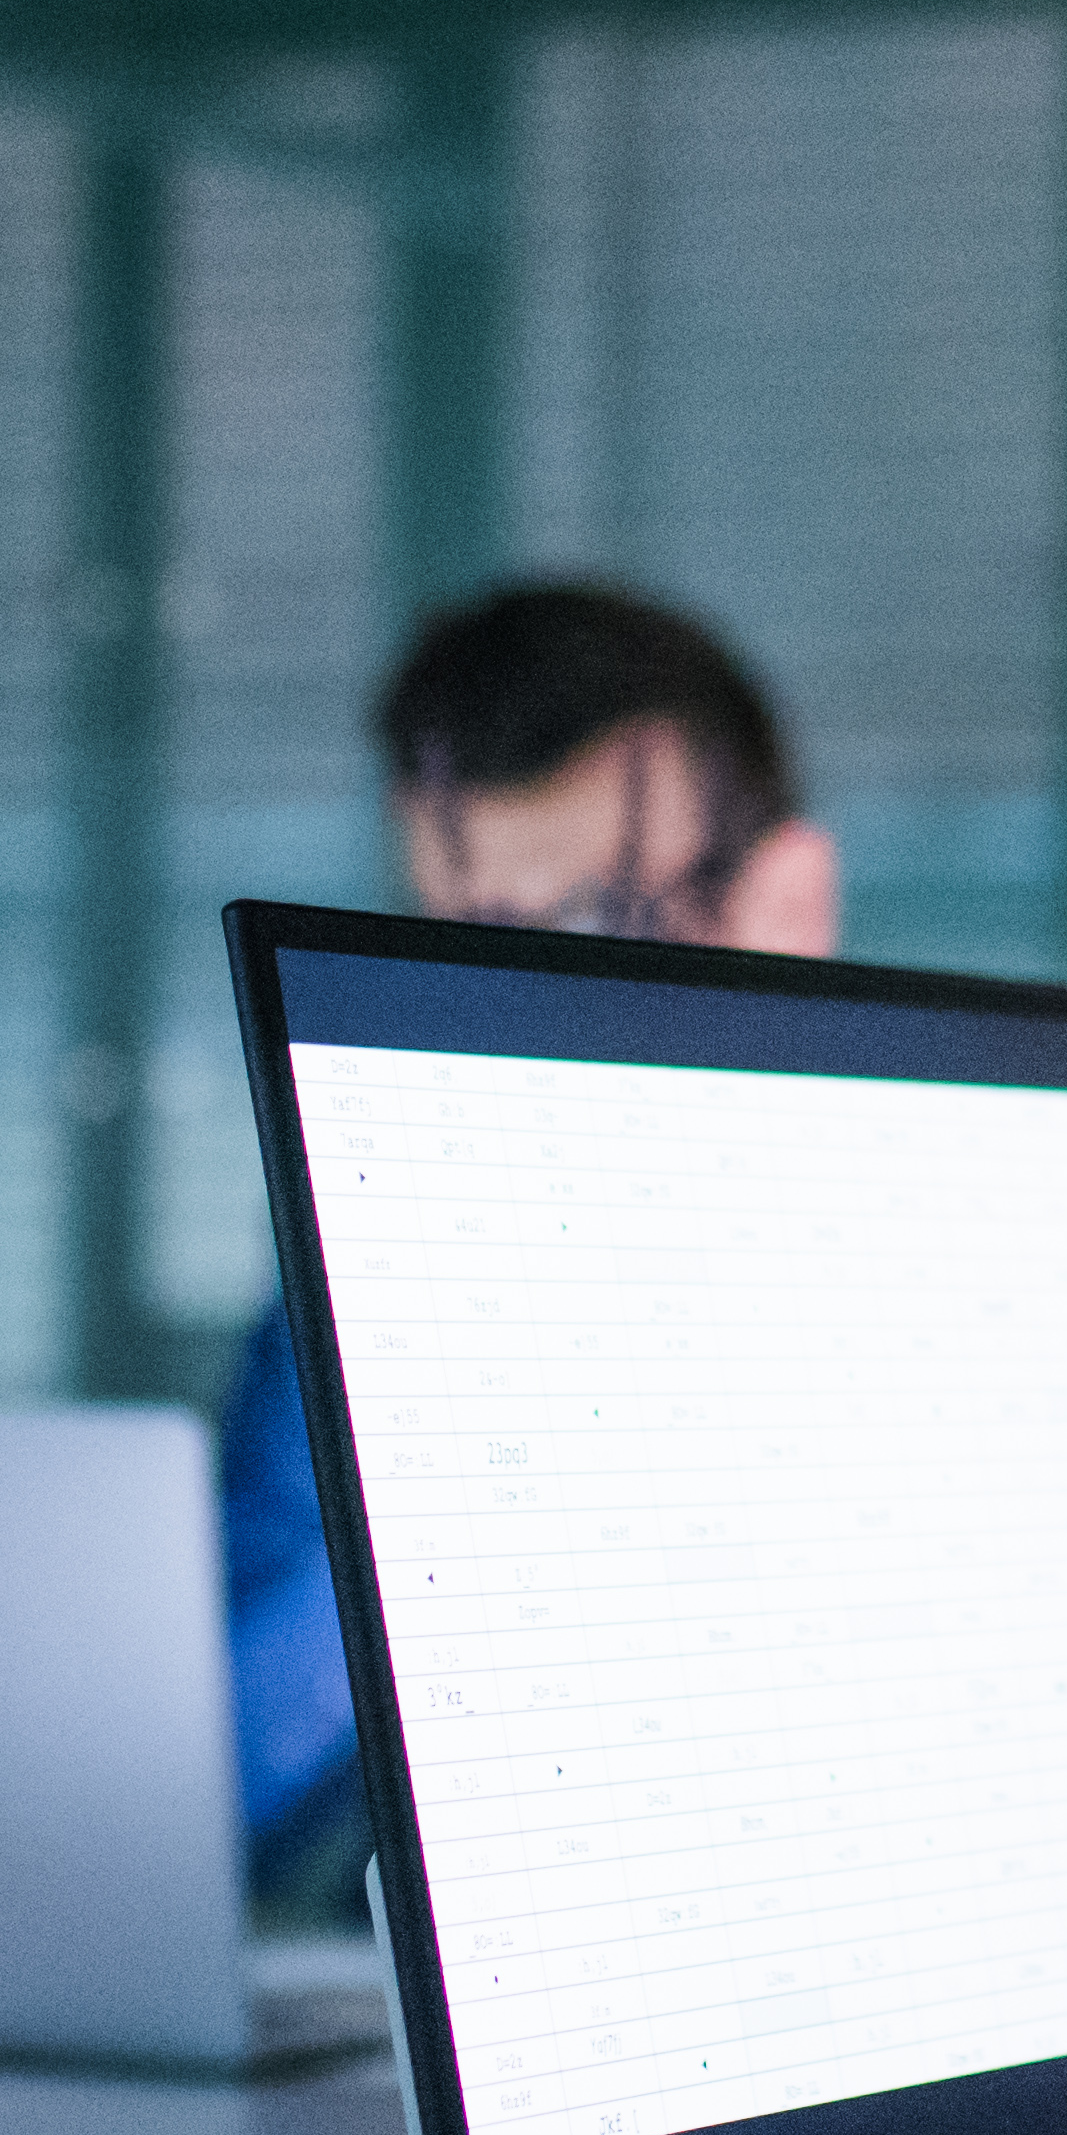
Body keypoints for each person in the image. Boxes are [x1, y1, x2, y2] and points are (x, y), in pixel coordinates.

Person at [215, 577, 838, 1911]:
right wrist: (440, 1498)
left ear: (787, 904)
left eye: (605, 919)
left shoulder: (959, 1279)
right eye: (461, 938)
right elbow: (210, 1802)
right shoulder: (360, 1297)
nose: (505, 1005)